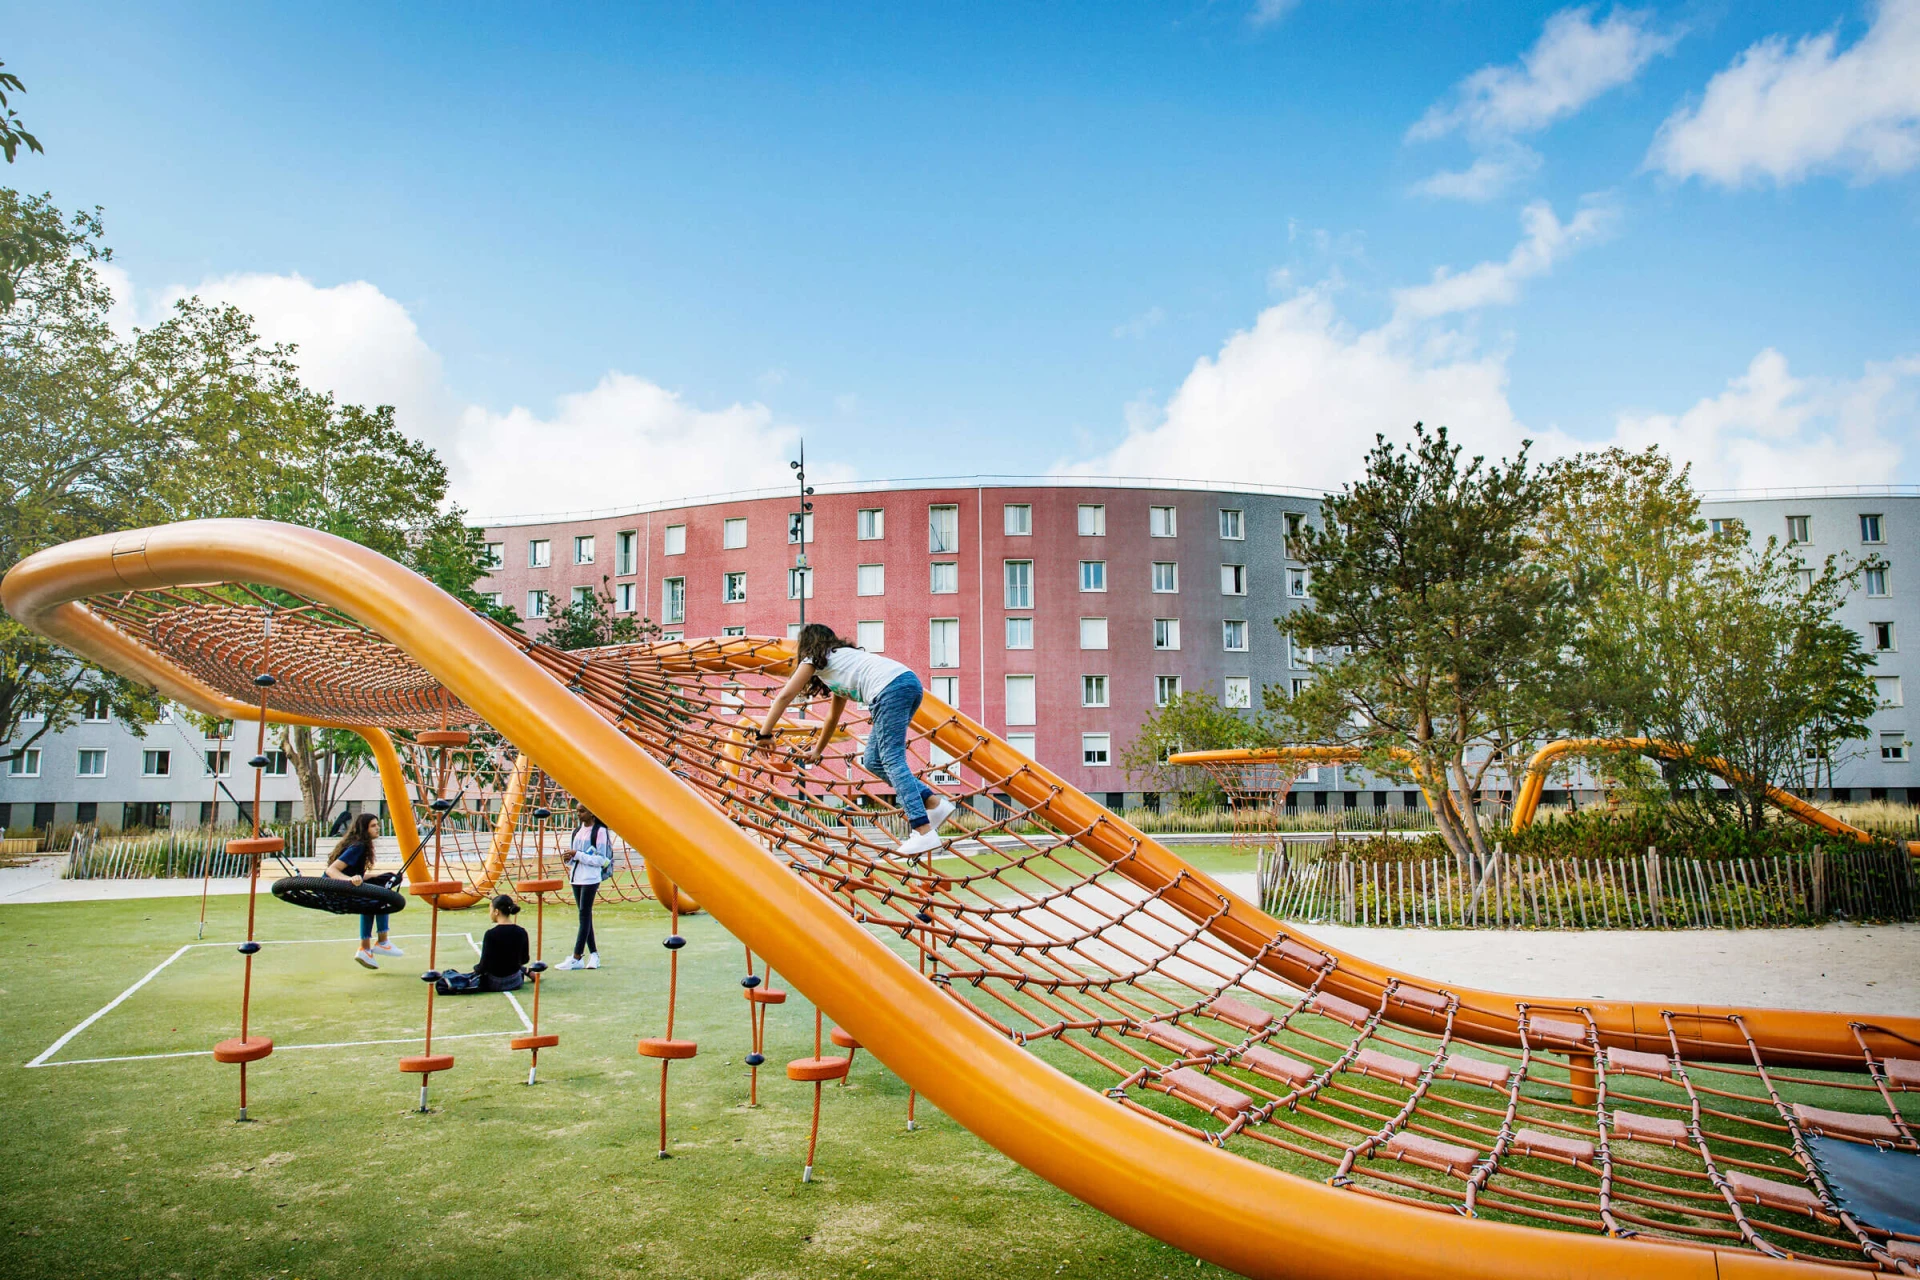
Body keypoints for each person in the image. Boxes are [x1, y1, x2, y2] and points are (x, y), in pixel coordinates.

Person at [756, 622, 954, 861]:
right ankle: (934, 803)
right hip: (907, 684)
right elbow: (832, 717)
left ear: (809, 646)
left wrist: (764, 734)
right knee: (872, 760)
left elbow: (785, 695)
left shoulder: (813, 660)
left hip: (890, 689)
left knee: (892, 759)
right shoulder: (840, 667)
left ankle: (922, 829)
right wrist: (817, 751)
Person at [323, 811, 403, 969]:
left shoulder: (361, 845)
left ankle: (365, 949)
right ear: (364, 829)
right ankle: (382, 942)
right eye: (373, 826)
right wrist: (349, 880)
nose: (377, 828)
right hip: (335, 890)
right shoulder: (358, 846)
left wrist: (381, 876)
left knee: (380, 887)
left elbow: (357, 875)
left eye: (377, 825)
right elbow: (331, 871)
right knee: (382, 898)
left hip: (342, 888)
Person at [555, 807, 612, 970]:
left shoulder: (600, 831)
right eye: (577, 811)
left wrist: (577, 854)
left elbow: (602, 859)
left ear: (592, 813)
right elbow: (574, 858)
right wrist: (568, 858)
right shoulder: (577, 831)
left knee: (584, 914)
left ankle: (577, 956)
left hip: (590, 878)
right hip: (576, 878)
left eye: (582, 811)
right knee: (585, 916)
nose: (578, 814)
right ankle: (594, 955)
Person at [437, 894, 530, 993]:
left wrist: (475, 971)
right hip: (515, 982)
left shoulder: (491, 934)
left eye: (490, 910)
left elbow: (484, 965)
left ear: (496, 911)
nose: (489, 913)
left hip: (495, 983)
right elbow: (525, 959)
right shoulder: (522, 931)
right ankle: (528, 972)